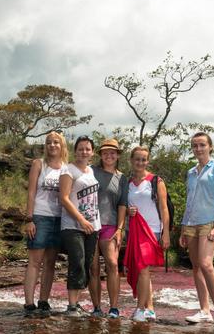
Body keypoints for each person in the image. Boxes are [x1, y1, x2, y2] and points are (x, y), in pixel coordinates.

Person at [179, 132, 214, 326]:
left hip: (210, 222)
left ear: (210, 147)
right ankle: (204, 311)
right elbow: (189, 201)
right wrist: (183, 228)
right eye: (195, 146)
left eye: (202, 145)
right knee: (196, 266)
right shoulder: (191, 172)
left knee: (206, 263)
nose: (198, 149)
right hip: (191, 223)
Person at [22, 131, 68, 313]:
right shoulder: (38, 164)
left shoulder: (66, 167)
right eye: (49, 142)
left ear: (62, 145)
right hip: (40, 217)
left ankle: (43, 301)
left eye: (56, 142)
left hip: (59, 218)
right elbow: (31, 192)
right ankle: (28, 303)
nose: (52, 145)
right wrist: (29, 219)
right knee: (35, 262)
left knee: (50, 262)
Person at [124, 146, 170, 322]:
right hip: (134, 230)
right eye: (137, 159)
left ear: (148, 161)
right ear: (131, 160)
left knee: (143, 268)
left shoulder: (156, 181)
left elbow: (164, 208)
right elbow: (123, 208)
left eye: (144, 159)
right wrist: (129, 211)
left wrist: (166, 233)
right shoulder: (127, 183)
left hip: (152, 230)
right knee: (142, 270)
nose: (140, 162)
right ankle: (150, 308)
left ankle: (140, 309)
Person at [59, 136, 101, 317]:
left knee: (86, 264)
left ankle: (77, 304)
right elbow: (64, 198)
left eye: (88, 149)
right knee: (77, 261)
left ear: (92, 152)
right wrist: (81, 220)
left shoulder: (91, 171)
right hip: (73, 226)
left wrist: (91, 223)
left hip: (93, 226)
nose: (84, 152)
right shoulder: (68, 170)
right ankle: (71, 306)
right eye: (81, 148)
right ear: (75, 150)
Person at [89, 138, 129, 318]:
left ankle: (113, 308)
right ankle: (96, 308)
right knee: (94, 268)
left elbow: (122, 205)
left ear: (118, 155)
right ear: (100, 155)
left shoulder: (122, 178)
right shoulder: (91, 171)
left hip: (110, 226)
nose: (109, 155)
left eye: (112, 152)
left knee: (113, 264)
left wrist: (120, 229)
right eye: (105, 152)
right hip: (90, 225)